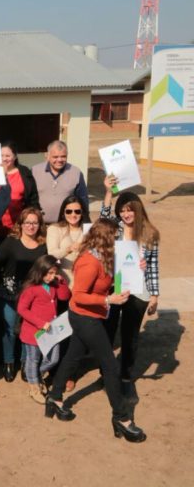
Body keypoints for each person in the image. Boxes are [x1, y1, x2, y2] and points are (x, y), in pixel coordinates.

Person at [46, 219, 146, 443]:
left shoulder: (105, 256)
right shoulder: (90, 262)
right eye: (114, 236)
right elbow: (79, 295)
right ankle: (121, 417)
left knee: (73, 356)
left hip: (90, 316)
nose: (118, 239)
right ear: (105, 238)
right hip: (83, 317)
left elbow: (118, 274)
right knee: (110, 364)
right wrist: (108, 299)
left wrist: (139, 267)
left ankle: (54, 397)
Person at [101, 179, 160, 397]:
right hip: (115, 287)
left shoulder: (150, 234)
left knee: (130, 335)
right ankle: (105, 374)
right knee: (108, 331)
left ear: (137, 209)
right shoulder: (114, 228)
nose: (126, 214)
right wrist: (108, 192)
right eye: (122, 210)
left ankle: (126, 376)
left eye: (129, 210)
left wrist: (154, 295)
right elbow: (103, 216)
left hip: (138, 290)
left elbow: (153, 266)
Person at [0, 208, 48, 382]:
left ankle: (26, 363)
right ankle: (8, 362)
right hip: (9, 293)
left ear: (39, 225)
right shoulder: (11, 242)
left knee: (28, 330)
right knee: (8, 329)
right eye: (27, 222)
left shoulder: (43, 244)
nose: (31, 226)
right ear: (21, 224)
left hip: (33, 295)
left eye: (35, 223)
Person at [16, 255, 70, 404]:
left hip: (51, 332)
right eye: (49, 273)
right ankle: (34, 387)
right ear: (40, 271)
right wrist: (40, 323)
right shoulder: (31, 289)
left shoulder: (54, 285)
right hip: (34, 333)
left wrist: (62, 281)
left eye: (54, 273)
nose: (51, 276)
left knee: (53, 359)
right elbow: (22, 309)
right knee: (33, 359)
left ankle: (35, 375)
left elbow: (64, 297)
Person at [31, 140, 89, 225]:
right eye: (55, 157)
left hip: (66, 225)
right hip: (39, 225)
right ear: (47, 156)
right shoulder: (34, 171)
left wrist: (84, 222)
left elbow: (83, 200)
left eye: (63, 156)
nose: (60, 160)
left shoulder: (76, 173)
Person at [0, 141, 40, 236]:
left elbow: (33, 198)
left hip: (19, 225)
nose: (4, 159)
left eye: (8, 156)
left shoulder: (25, 173)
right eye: (1, 155)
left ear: (15, 156)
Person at [46, 195, 89, 285]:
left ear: (82, 213)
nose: (73, 215)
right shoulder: (54, 228)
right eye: (69, 211)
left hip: (85, 279)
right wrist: (68, 250)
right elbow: (52, 254)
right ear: (63, 212)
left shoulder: (88, 230)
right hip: (63, 280)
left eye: (77, 212)